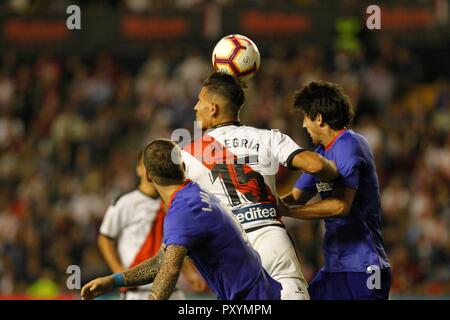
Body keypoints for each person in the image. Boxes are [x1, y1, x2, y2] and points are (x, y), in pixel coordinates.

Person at [179, 72, 339, 300]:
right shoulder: (269, 137)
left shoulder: (188, 155)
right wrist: (334, 170)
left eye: (200, 101)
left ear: (213, 108)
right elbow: (314, 165)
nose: (196, 106)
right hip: (273, 239)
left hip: (233, 251)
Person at [81, 139, 282, 300]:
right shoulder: (193, 195)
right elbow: (162, 261)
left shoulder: (182, 210)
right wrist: (114, 280)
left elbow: (170, 269)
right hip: (257, 292)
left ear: (149, 176)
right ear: (183, 166)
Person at [280, 81, 391, 300]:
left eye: (305, 117)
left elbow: (341, 206)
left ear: (318, 118)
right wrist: (261, 205)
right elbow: (296, 197)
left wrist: (284, 211)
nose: (303, 125)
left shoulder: (351, 144)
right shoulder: (321, 155)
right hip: (334, 269)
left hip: (365, 268)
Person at [98, 151, 206, 299]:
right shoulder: (125, 202)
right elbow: (105, 239)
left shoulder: (173, 203)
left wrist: (190, 273)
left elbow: (175, 244)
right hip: (137, 291)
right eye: (146, 164)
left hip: (170, 288)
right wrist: (119, 272)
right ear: (139, 170)